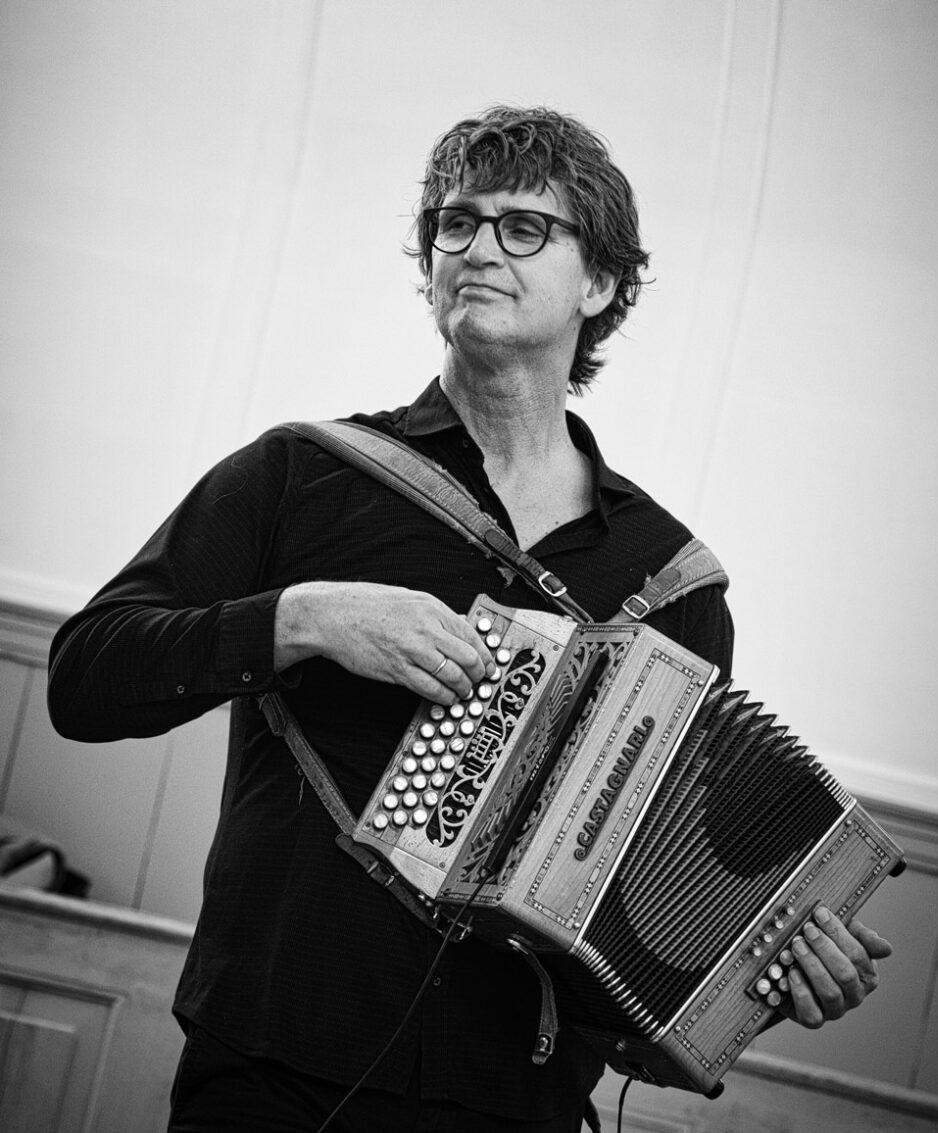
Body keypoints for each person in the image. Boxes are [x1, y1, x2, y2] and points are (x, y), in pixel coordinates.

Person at [47, 106, 891, 1133]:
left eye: (524, 226)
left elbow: (637, 918)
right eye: (457, 222)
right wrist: (303, 618)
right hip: (273, 1065)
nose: (479, 246)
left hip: (511, 1099)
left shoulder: (672, 584)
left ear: (600, 283)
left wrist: (764, 970)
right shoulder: (302, 475)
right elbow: (83, 679)